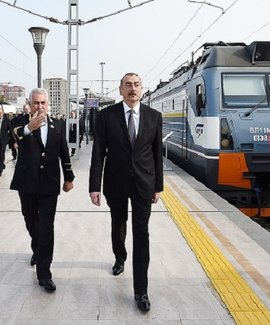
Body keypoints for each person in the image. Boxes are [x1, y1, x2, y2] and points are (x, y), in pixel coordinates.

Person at [89, 72, 163, 312]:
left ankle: (141, 291)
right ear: (120, 90)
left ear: (142, 89)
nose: (133, 89)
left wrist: (158, 186)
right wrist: (94, 186)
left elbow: (156, 156)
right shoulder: (106, 116)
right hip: (116, 182)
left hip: (143, 184)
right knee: (118, 223)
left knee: (142, 235)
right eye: (128, 85)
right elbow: (98, 152)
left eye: (137, 85)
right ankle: (120, 258)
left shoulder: (154, 117)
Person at [10, 88, 75, 292]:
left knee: (47, 227)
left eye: (43, 103)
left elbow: (64, 152)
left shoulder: (58, 125)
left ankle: (44, 273)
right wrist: (29, 128)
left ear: (48, 105)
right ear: (29, 104)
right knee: (31, 222)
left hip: (49, 184)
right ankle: (36, 248)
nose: (40, 107)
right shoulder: (20, 122)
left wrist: (69, 177)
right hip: (27, 183)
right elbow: (15, 135)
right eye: (36, 103)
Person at [0, 105, 12, 176]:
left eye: (0, 113)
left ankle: (0, 169)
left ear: (3, 113)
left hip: (3, 140)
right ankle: (2, 165)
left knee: (1, 154)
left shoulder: (7, 121)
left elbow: (10, 130)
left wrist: (12, 141)